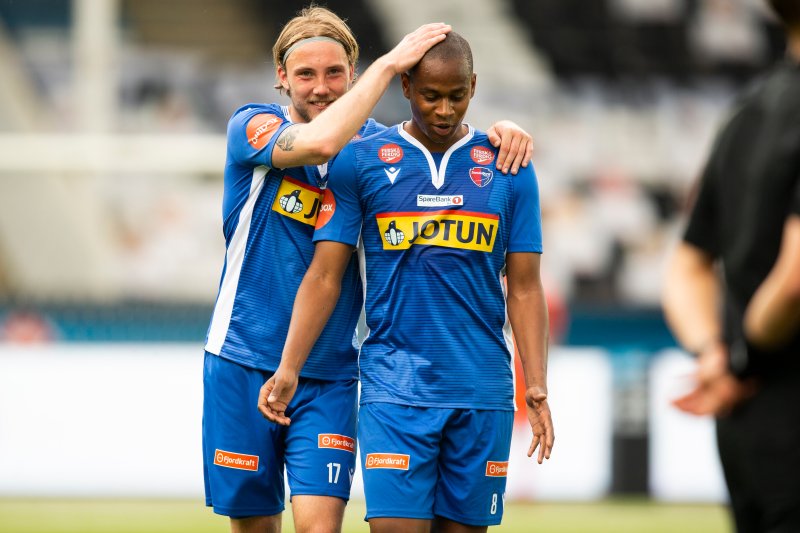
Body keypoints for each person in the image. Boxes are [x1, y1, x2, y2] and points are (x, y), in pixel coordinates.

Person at [203, 7, 535, 533]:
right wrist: (387, 66)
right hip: (243, 356)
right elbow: (319, 142)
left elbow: (435, 138)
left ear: (351, 75)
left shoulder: (373, 154)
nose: (320, 87)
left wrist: (501, 133)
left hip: (331, 370)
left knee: (319, 528)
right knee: (256, 526)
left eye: (334, 73)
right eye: (305, 74)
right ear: (282, 78)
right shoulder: (254, 127)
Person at [661, 1, 800, 530]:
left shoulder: (747, 114)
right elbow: (793, 282)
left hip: (747, 435)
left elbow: (688, 261)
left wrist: (712, 353)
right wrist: (745, 364)